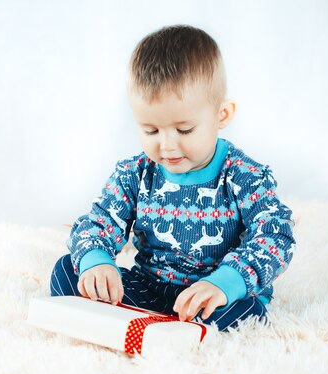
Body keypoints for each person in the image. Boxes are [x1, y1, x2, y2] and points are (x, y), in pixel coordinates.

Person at [49, 24, 296, 332]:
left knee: (245, 313)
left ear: (222, 115)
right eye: (150, 130)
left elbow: (276, 236)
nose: (166, 145)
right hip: (151, 288)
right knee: (67, 271)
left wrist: (226, 282)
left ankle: (178, 330)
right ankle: (149, 326)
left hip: (214, 296)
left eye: (184, 130)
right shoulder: (135, 173)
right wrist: (97, 260)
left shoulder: (245, 176)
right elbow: (98, 221)